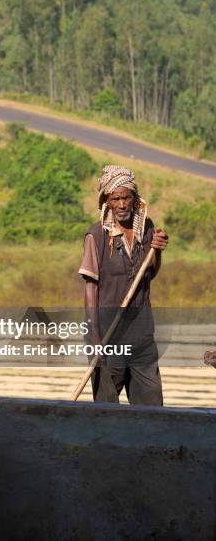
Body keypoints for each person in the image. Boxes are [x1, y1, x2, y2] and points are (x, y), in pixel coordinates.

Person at [78, 165, 168, 406]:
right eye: (115, 198)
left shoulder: (146, 228)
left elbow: (150, 274)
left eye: (126, 197)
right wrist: (96, 340)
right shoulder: (96, 236)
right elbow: (90, 290)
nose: (121, 204)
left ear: (135, 199)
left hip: (141, 336)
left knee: (152, 409)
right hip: (108, 337)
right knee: (107, 412)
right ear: (107, 201)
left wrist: (156, 251)